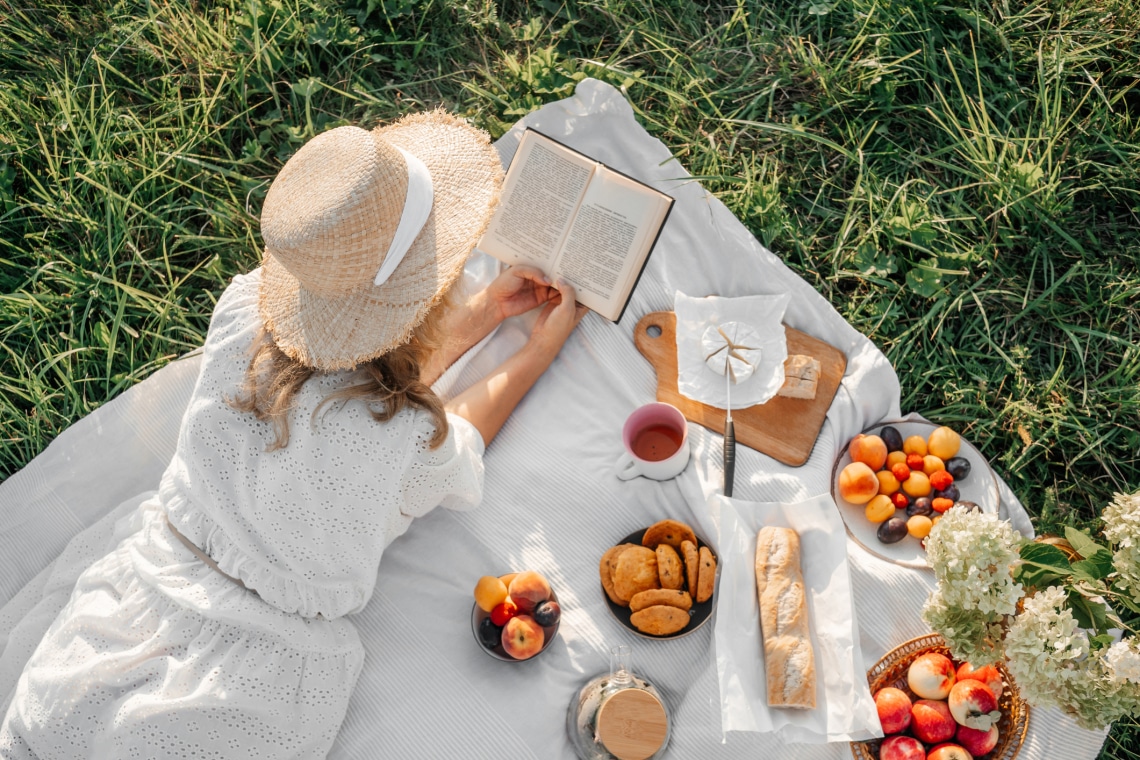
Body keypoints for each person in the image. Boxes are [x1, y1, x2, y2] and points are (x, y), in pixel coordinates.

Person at [0, 111, 585, 759]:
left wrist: (482, 317)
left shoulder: (243, 309)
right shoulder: (404, 433)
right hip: (250, 668)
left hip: (139, 599)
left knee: (52, 730)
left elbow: (356, 374)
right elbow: (462, 439)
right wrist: (535, 352)